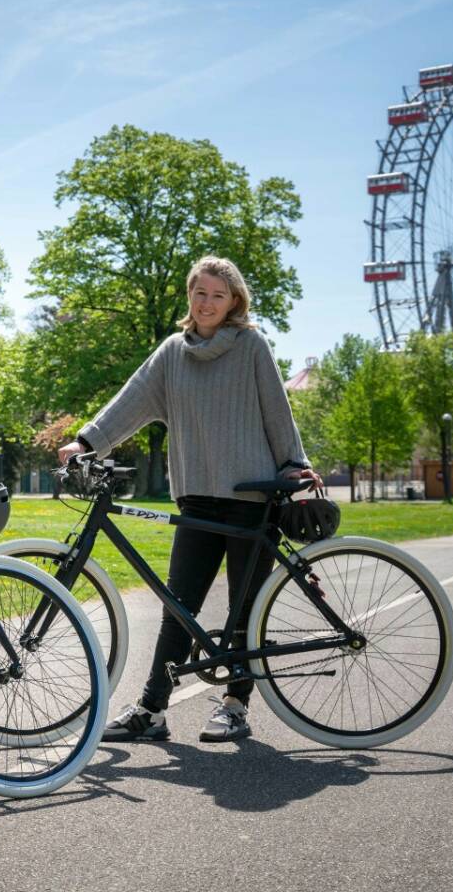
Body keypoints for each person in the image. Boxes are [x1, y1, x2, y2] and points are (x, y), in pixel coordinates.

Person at [57, 256, 324, 745]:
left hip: (252, 498)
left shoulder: (251, 346)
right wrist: (87, 442)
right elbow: (131, 401)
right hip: (198, 498)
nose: (206, 303)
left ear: (234, 302)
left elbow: (276, 411)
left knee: (246, 613)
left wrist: (292, 464)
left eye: (217, 295)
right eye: (199, 293)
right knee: (177, 608)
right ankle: (151, 710)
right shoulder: (172, 353)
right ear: (189, 297)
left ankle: (236, 706)